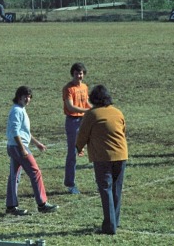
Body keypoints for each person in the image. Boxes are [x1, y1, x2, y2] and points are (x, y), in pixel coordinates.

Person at [76, 84, 128, 235]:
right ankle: (114, 222)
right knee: (116, 189)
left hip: (103, 157)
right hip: (121, 155)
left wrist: (78, 148)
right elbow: (123, 131)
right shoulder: (117, 112)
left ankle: (109, 226)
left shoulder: (92, 114)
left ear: (93, 99)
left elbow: (82, 134)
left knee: (105, 189)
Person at [5, 86, 58, 215]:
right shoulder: (17, 111)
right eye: (25, 97)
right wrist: (23, 149)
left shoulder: (21, 110)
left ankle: (11, 206)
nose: (28, 99)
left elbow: (25, 132)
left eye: (29, 97)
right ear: (19, 97)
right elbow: (15, 132)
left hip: (16, 146)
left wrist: (37, 143)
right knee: (35, 172)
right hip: (18, 147)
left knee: (14, 176)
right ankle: (42, 204)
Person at [62, 62, 91, 194]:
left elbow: (86, 102)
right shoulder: (68, 88)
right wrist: (86, 111)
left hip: (84, 120)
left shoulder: (84, 87)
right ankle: (70, 183)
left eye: (81, 73)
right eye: (76, 73)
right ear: (72, 74)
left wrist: (95, 109)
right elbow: (70, 106)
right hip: (73, 121)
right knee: (72, 152)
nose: (79, 76)